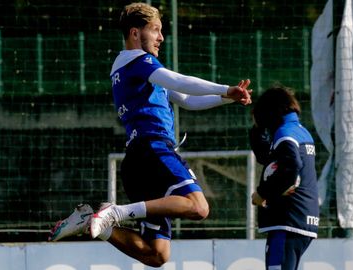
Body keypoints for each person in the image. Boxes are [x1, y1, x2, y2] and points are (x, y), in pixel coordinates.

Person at [48, 2, 252, 268]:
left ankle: (93, 223)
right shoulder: (138, 61)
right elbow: (178, 81)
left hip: (138, 159)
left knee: (157, 253)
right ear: (135, 33)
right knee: (199, 207)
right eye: (155, 30)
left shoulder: (138, 69)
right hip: (153, 149)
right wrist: (225, 88)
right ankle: (115, 212)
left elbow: (187, 99)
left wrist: (228, 98)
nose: (161, 38)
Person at [249, 85, 319, 270]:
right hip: (300, 219)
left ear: (270, 113)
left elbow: (292, 167)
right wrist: (257, 130)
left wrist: (262, 193)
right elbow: (267, 157)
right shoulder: (299, 131)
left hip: (288, 220)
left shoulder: (285, 133)